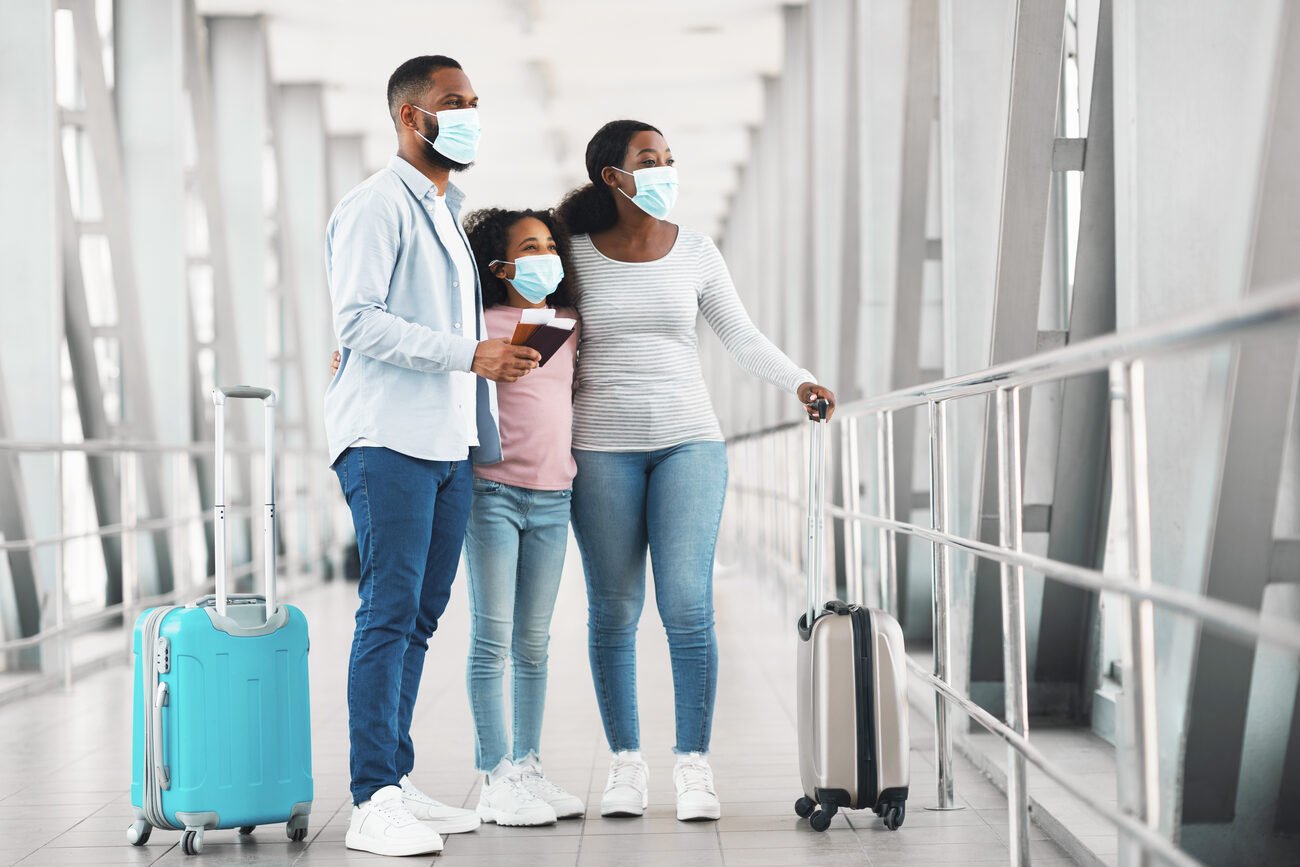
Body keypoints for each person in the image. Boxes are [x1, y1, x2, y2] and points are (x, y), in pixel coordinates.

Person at [556, 120, 836, 823]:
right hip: (599, 449)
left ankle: (692, 765)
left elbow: (740, 334)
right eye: (650, 160)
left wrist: (799, 380)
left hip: (690, 443)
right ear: (612, 177)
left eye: (670, 159)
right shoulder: (575, 254)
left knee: (686, 604)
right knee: (614, 610)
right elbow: (523, 322)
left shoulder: (698, 252)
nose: (666, 170)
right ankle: (625, 763)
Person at [324, 55, 541, 858]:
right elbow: (357, 322)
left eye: (477, 101)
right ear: (412, 117)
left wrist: (491, 361)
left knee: (418, 616)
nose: (471, 115)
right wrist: (468, 353)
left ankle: (396, 777)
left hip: (444, 444)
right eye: (455, 102)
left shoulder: (445, 214)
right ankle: (371, 795)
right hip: (387, 439)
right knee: (388, 610)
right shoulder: (376, 206)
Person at [461, 208, 586, 826]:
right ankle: (495, 775)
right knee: (493, 640)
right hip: (493, 496)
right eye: (529, 248)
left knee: (533, 644)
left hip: (553, 497)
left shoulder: (567, 324)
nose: (544, 257)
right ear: (501, 266)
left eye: (549, 245)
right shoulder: (481, 325)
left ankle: (528, 767)